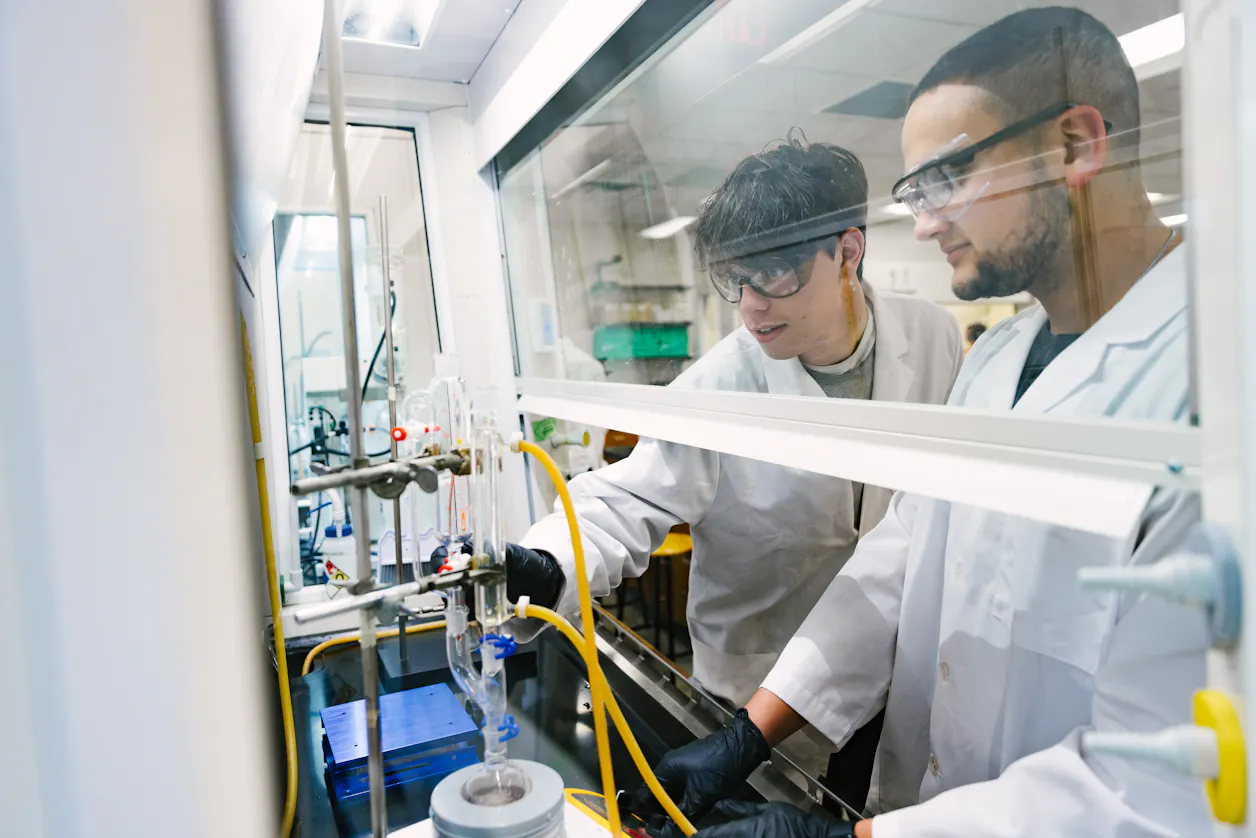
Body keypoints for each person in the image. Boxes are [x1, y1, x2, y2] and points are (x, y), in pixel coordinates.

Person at [635, 8, 1205, 838]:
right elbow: (897, 566)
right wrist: (749, 733)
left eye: (948, 178)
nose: (927, 220)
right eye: (915, 192)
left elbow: (1158, 781)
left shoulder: (1214, 383)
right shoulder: (997, 359)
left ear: (1077, 146)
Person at [461, 135, 963, 774]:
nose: (751, 305)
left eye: (774, 275)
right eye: (734, 278)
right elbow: (626, 499)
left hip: (895, 677)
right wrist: (547, 560)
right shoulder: (721, 384)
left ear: (848, 250)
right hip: (755, 695)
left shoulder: (933, 338)